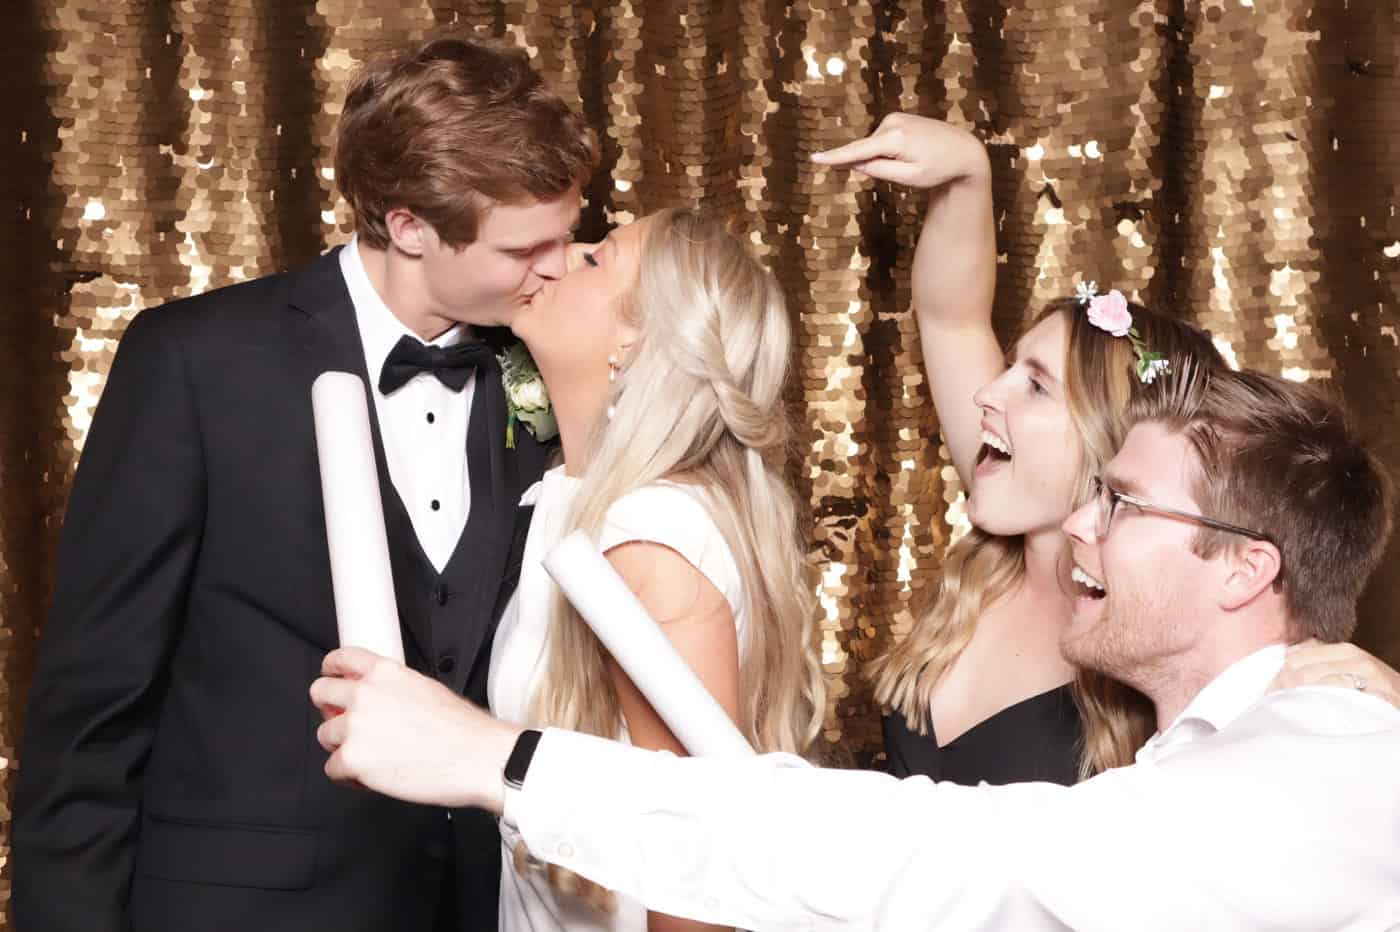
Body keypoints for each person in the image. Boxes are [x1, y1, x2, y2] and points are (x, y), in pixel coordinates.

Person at [313, 366, 1400, 930]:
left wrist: (498, 760)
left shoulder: (1315, 767)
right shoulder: (1238, 751)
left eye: (1120, 501)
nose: (1080, 521)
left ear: (1242, 568)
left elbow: (945, 858)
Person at [13, 36, 596, 932]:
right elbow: (91, 709)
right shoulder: (197, 361)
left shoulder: (560, 362)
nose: (560, 266)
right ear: (410, 227)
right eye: (527, 247)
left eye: (567, 234)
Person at [818, 114, 1399, 785]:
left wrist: (1374, 693)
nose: (986, 394)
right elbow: (951, 317)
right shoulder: (1008, 517)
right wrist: (968, 173)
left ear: (1102, 442)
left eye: (1036, 385)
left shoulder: (1154, 619)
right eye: (1010, 368)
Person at [487, 207, 825, 931]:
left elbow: (695, 884)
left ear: (635, 341)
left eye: (596, 258)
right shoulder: (573, 500)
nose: (561, 256)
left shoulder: (649, 534)